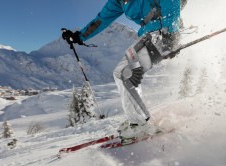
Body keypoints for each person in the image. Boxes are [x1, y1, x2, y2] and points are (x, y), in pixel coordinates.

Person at [62, 0, 187, 142]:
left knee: (124, 73)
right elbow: (101, 19)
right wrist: (79, 36)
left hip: (163, 31)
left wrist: (171, 32)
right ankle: (140, 119)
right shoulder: (118, 2)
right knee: (125, 74)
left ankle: (140, 124)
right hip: (150, 34)